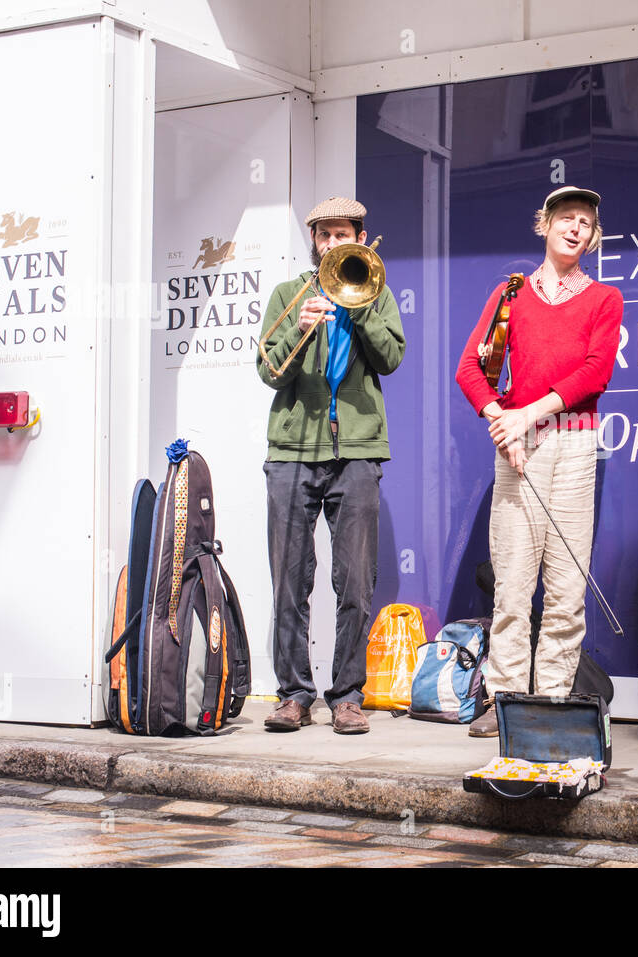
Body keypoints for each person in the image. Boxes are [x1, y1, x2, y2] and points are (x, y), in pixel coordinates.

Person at [455, 186, 623, 737]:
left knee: (567, 590)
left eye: (586, 222)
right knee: (512, 586)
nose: (576, 228)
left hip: (573, 445)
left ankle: (549, 700)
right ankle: (502, 699)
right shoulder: (511, 294)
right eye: (566, 218)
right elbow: (470, 371)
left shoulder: (604, 298)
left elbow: (596, 373)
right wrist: (498, 419)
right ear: (544, 225)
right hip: (517, 449)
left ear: (593, 236)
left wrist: (526, 413)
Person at [256, 196, 405, 735]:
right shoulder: (287, 294)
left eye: (344, 234)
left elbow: (391, 358)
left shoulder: (377, 288)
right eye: (324, 235)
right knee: (289, 581)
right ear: (314, 241)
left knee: (356, 584)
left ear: (361, 239)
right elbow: (269, 370)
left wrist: (359, 304)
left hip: (358, 452)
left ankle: (347, 696)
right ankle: (294, 694)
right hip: (292, 451)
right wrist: (299, 327)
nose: (334, 243)